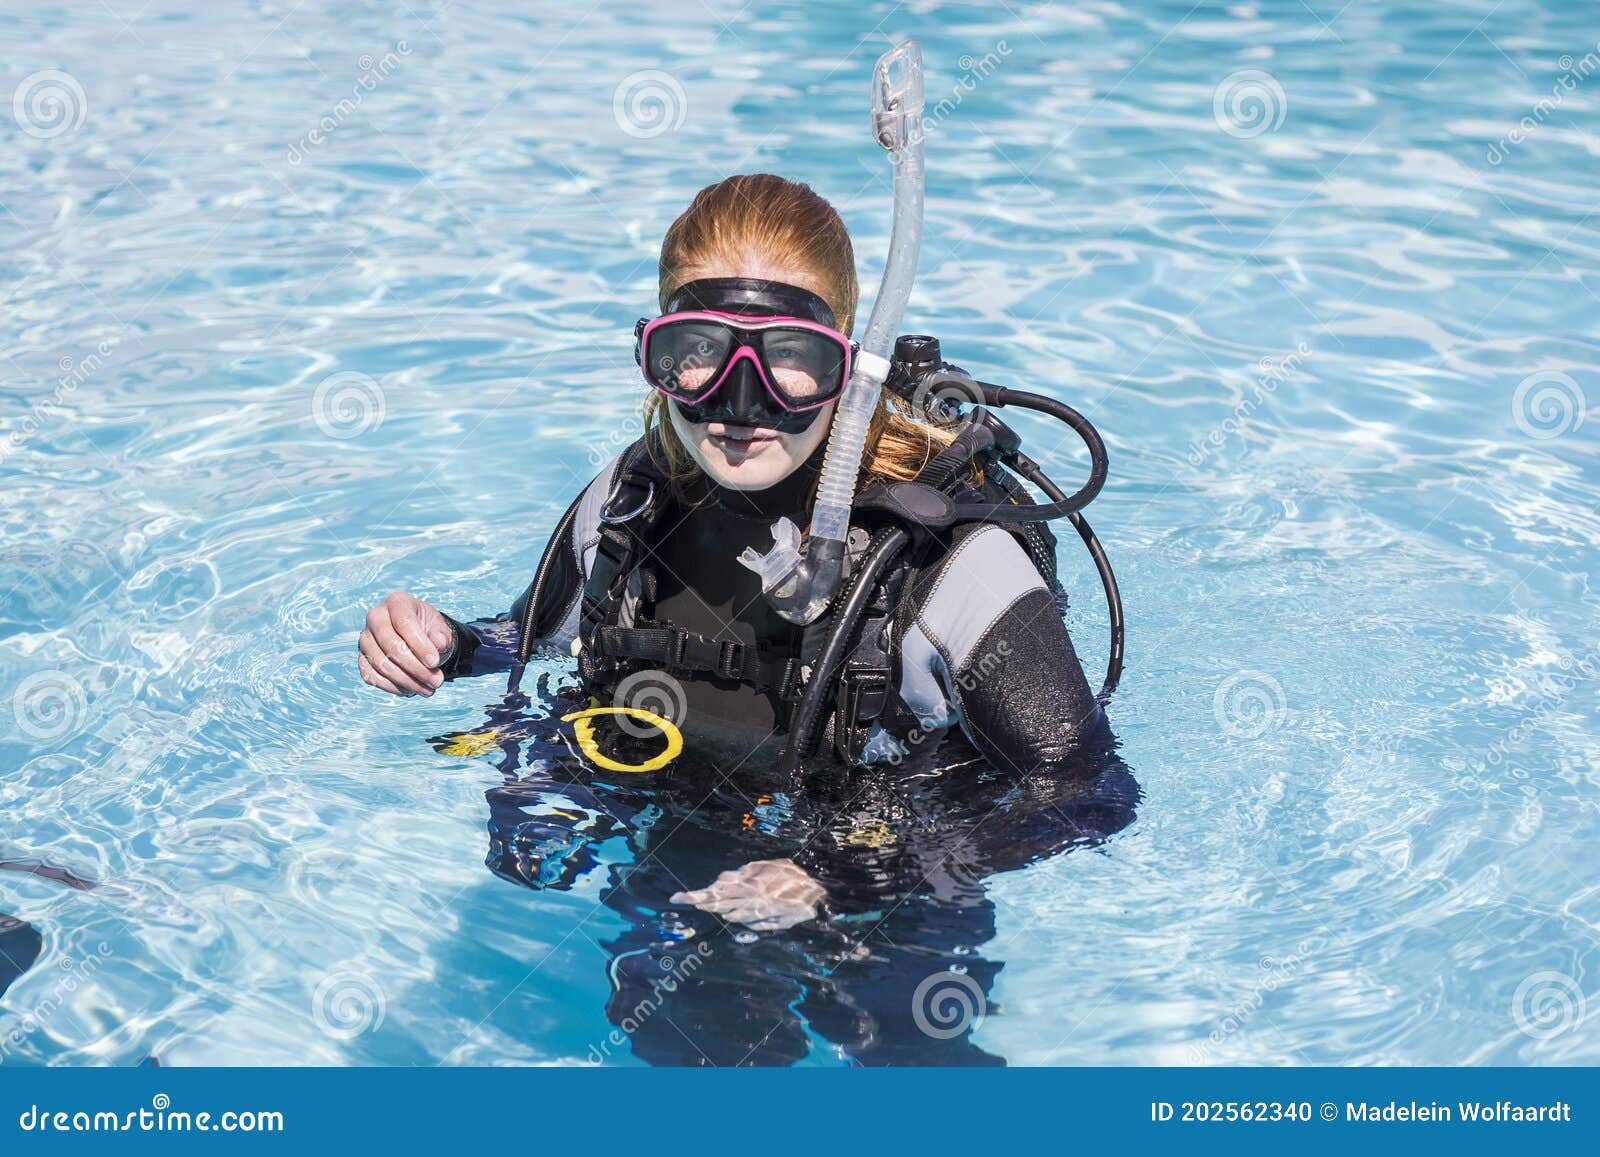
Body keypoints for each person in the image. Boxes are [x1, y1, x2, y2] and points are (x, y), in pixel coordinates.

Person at [359, 173, 1113, 932]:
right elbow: (528, 642)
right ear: (656, 357)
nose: (740, 405)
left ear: (849, 369)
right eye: (699, 352)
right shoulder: (626, 504)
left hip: (892, 880)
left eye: (791, 358)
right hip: (685, 829)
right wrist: (446, 644)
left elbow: (1085, 794)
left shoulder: (948, 561)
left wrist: (843, 877)